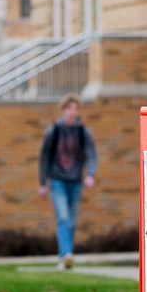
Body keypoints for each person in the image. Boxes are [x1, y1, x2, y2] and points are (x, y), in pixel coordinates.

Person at [38, 94, 97, 270]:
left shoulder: (83, 132)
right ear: (63, 110)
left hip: (76, 181)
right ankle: (67, 254)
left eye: (76, 109)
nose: (73, 112)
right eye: (69, 108)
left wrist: (90, 174)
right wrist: (43, 183)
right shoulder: (53, 131)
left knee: (71, 220)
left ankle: (64, 257)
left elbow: (91, 154)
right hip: (57, 181)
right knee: (63, 217)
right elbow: (45, 158)